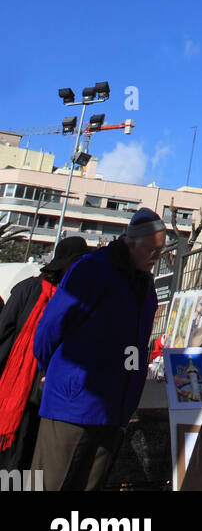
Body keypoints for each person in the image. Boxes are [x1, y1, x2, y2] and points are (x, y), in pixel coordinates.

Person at [31, 207, 166, 491]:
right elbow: (49, 328)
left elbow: (135, 347)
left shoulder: (145, 287)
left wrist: (131, 386)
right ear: (131, 242)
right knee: (51, 484)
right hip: (73, 404)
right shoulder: (92, 268)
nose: (157, 257)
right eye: (152, 250)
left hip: (114, 410)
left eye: (161, 251)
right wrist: (54, 372)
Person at [0, 237, 88, 471]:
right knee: (11, 458)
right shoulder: (28, 290)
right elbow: (4, 332)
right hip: (14, 390)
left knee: (28, 461)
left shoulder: (74, 300)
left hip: (45, 395)